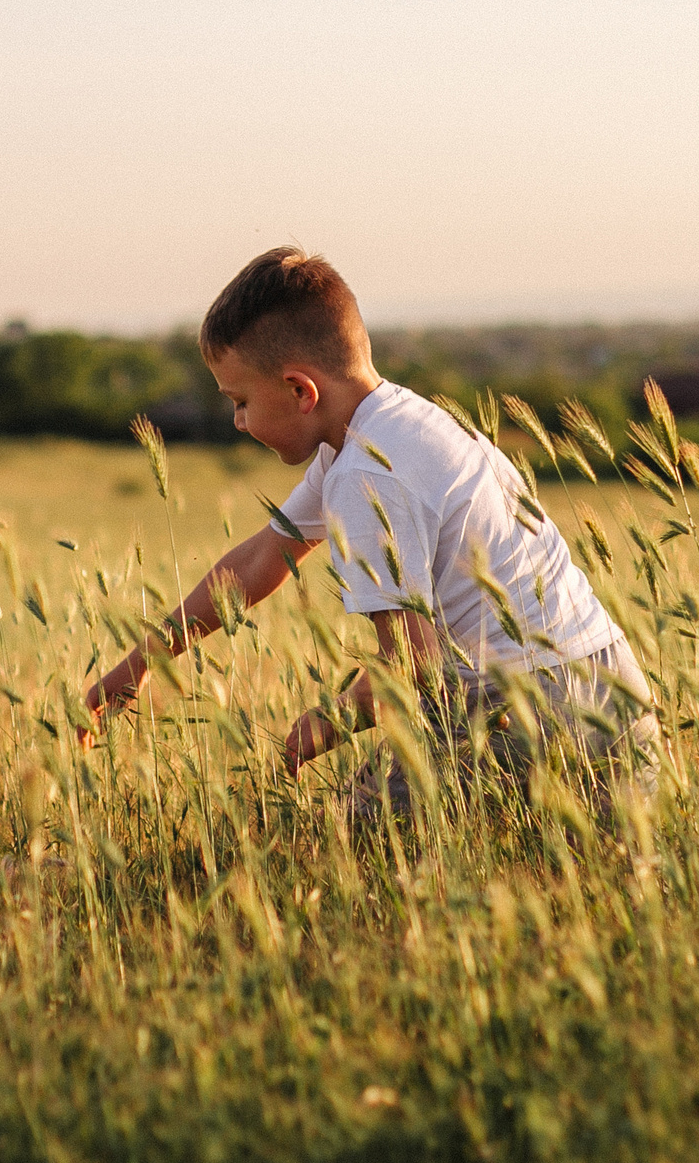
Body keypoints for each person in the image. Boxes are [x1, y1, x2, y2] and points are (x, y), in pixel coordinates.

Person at [81, 246, 658, 816]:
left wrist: (328, 722)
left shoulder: (365, 476)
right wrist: (136, 667)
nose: (238, 421)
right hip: (615, 687)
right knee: (586, 869)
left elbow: (414, 664)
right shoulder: (393, 426)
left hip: (513, 704)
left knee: (344, 848)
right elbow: (259, 561)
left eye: (241, 401)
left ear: (300, 391)